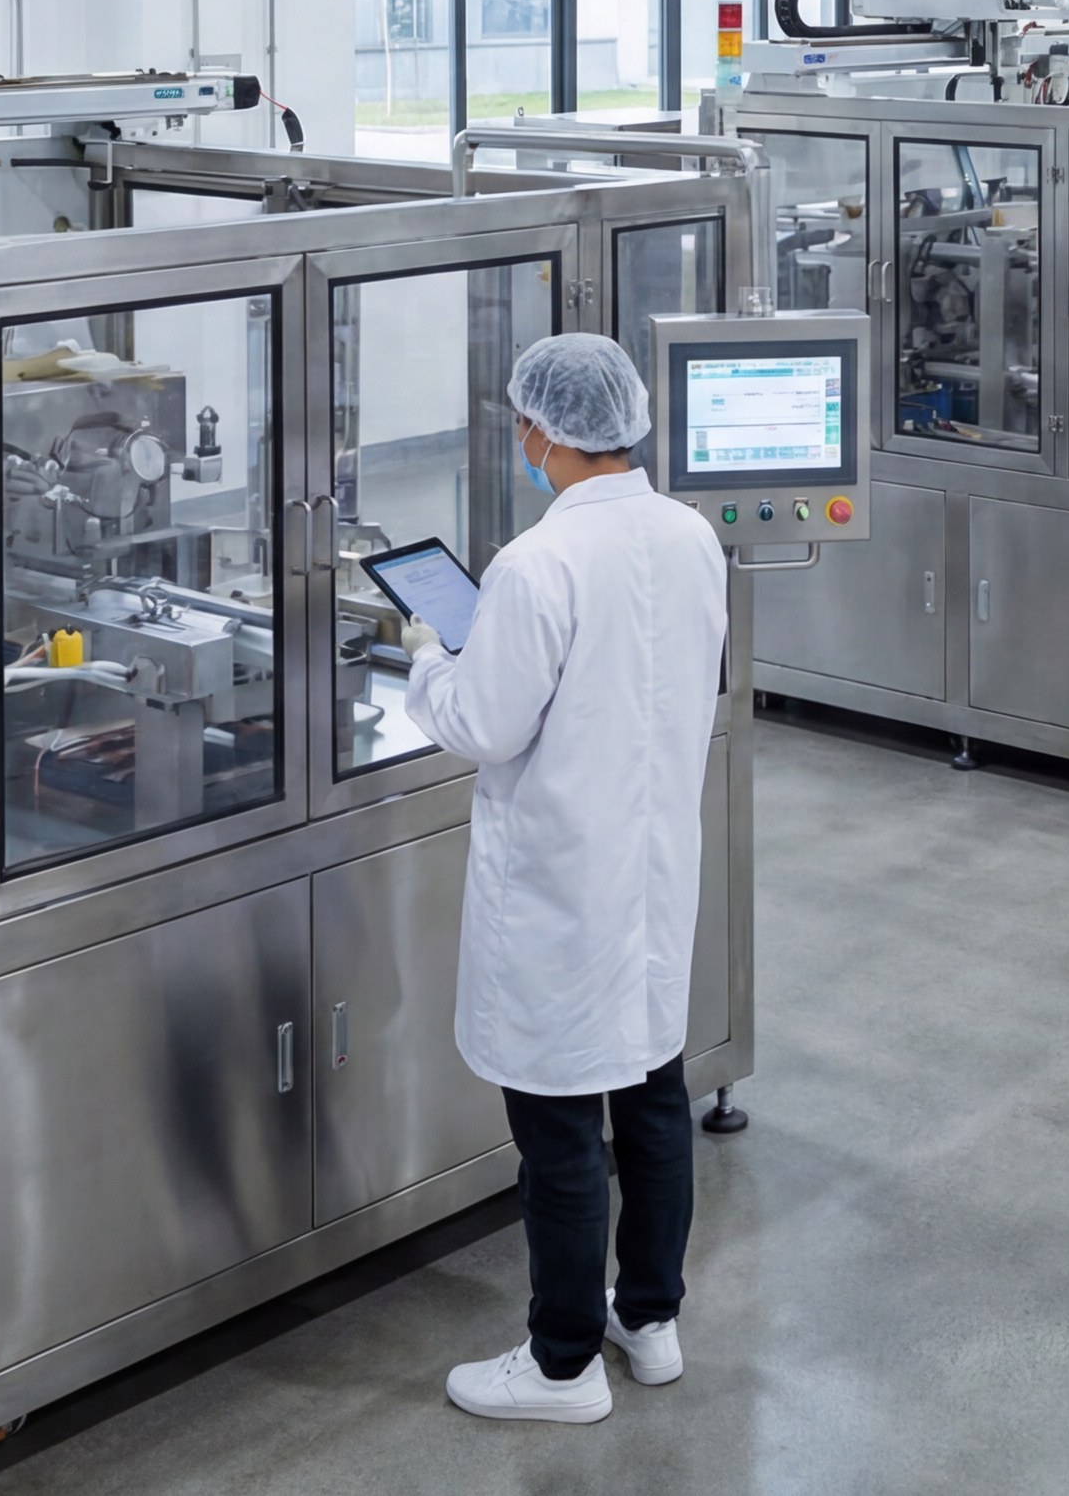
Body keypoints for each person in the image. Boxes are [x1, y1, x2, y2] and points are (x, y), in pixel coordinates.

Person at [408, 333, 730, 1426]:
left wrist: (427, 657)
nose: (521, 436)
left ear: (545, 430)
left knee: (556, 1133)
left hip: (557, 888)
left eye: (523, 422)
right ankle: (649, 1320)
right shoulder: (691, 536)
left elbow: (485, 724)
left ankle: (558, 1367)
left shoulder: (535, 564)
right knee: (649, 1095)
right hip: (647, 877)